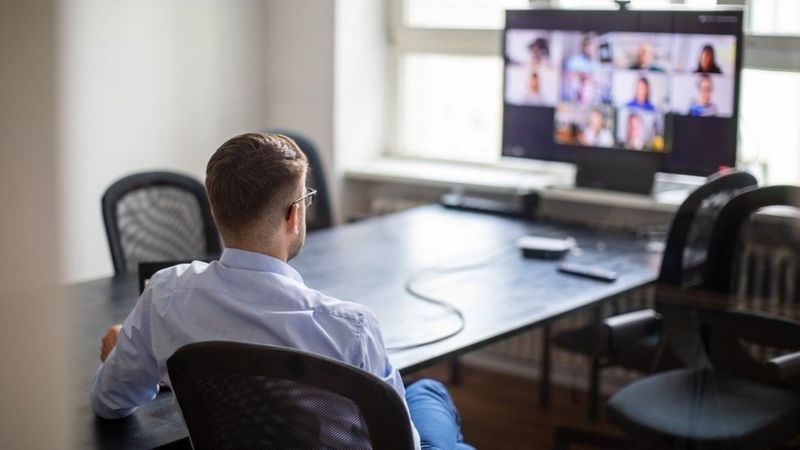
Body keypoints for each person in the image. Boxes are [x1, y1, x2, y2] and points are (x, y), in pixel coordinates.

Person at [90, 133, 474, 450]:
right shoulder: (349, 327)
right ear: (294, 215)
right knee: (427, 392)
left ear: (215, 210)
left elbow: (109, 404)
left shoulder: (166, 296)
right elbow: (402, 444)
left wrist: (122, 354)